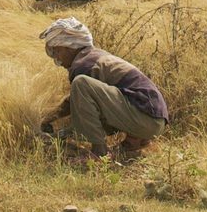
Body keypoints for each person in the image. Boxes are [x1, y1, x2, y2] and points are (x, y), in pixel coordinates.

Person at [39, 17, 169, 161]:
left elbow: (74, 103)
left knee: (80, 83)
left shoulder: (83, 64)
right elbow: (89, 112)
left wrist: (47, 118)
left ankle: (99, 152)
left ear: (69, 47)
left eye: (57, 51)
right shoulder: (93, 56)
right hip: (155, 120)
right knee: (81, 120)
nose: (57, 58)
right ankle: (137, 140)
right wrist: (60, 133)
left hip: (146, 118)